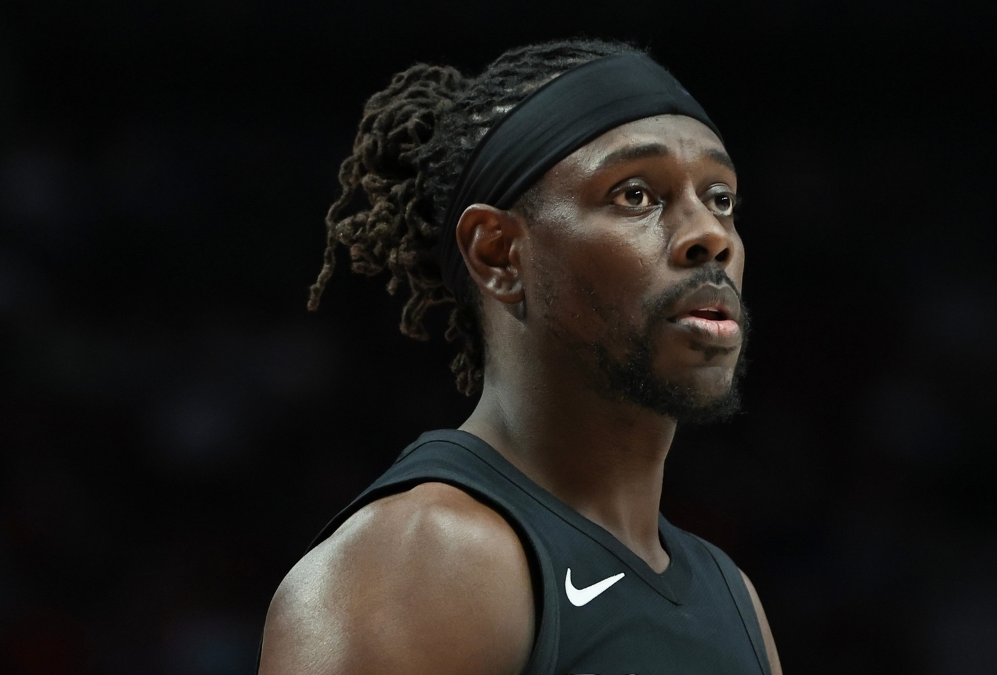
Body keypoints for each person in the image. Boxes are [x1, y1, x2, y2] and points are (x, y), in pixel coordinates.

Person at [258, 38, 783, 675]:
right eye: (637, 195)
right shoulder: (422, 559)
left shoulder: (732, 594)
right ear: (499, 253)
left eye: (721, 198)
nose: (710, 235)